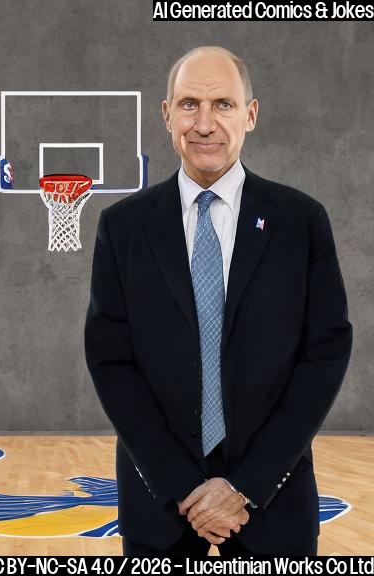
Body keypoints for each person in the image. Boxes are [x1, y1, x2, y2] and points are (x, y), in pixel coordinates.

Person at [84, 46, 352, 556]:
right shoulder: (123, 227)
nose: (204, 123)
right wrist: (183, 487)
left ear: (250, 114)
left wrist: (246, 485)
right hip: (159, 500)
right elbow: (111, 361)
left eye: (223, 105)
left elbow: (323, 357)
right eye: (189, 104)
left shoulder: (300, 221)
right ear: (166, 115)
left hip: (274, 498)